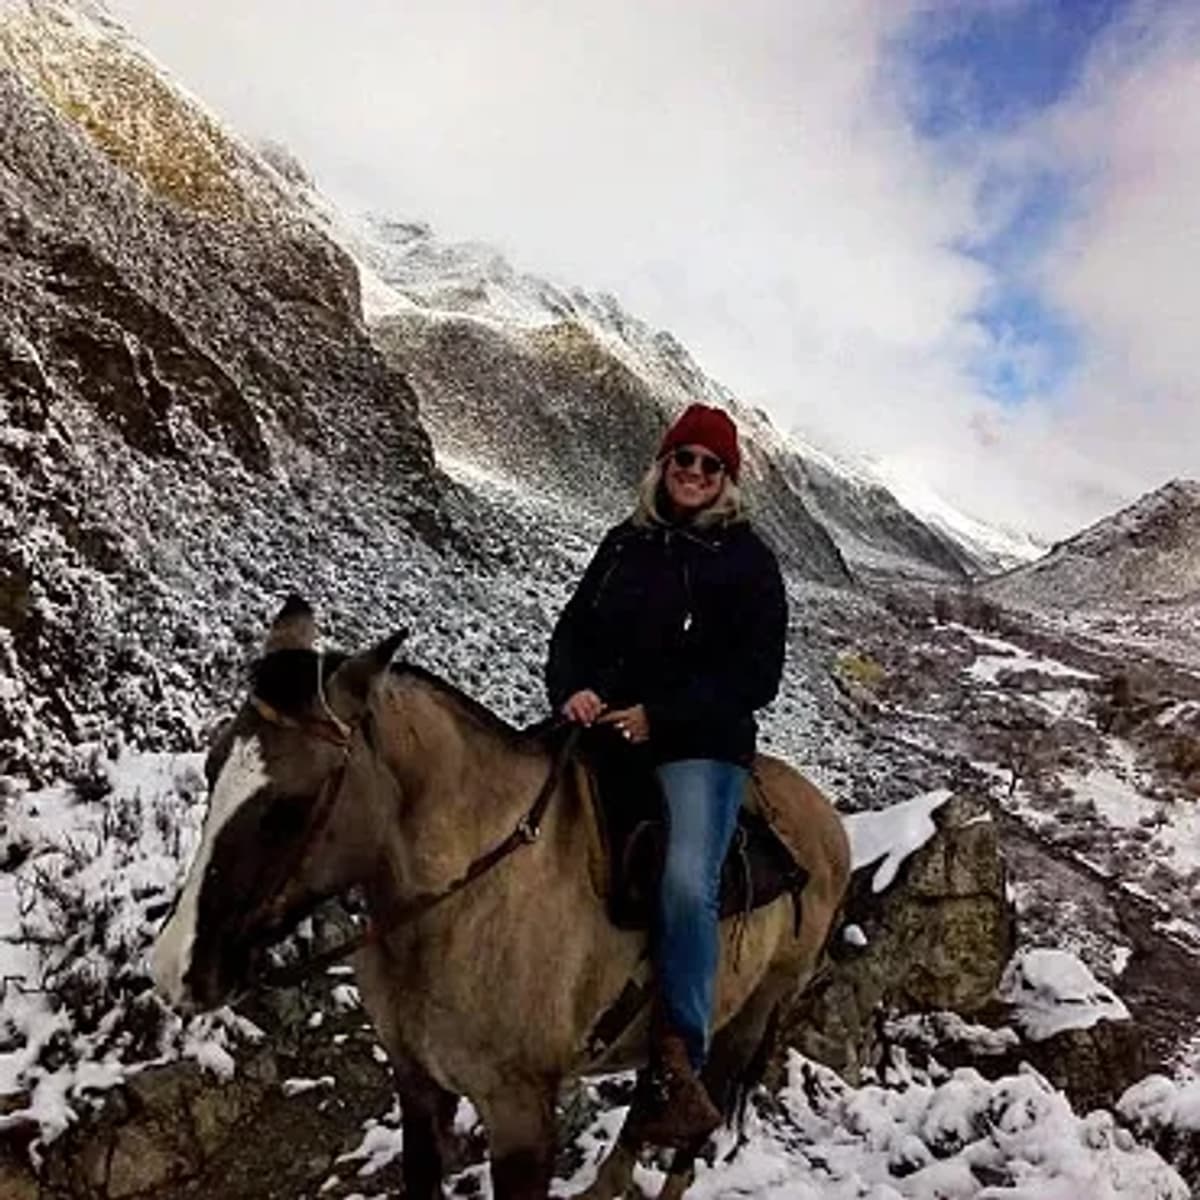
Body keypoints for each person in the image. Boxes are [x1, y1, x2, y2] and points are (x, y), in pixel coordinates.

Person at [545, 402, 787, 1146]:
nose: (692, 473)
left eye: (709, 465)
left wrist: (663, 716)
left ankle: (679, 1060)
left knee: (687, 881)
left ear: (728, 479)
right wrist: (573, 689)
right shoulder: (627, 543)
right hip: (607, 725)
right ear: (663, 465)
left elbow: (756, 676)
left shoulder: (748, 561)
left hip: (699, 743)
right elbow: (573, 631)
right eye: (682, 459)